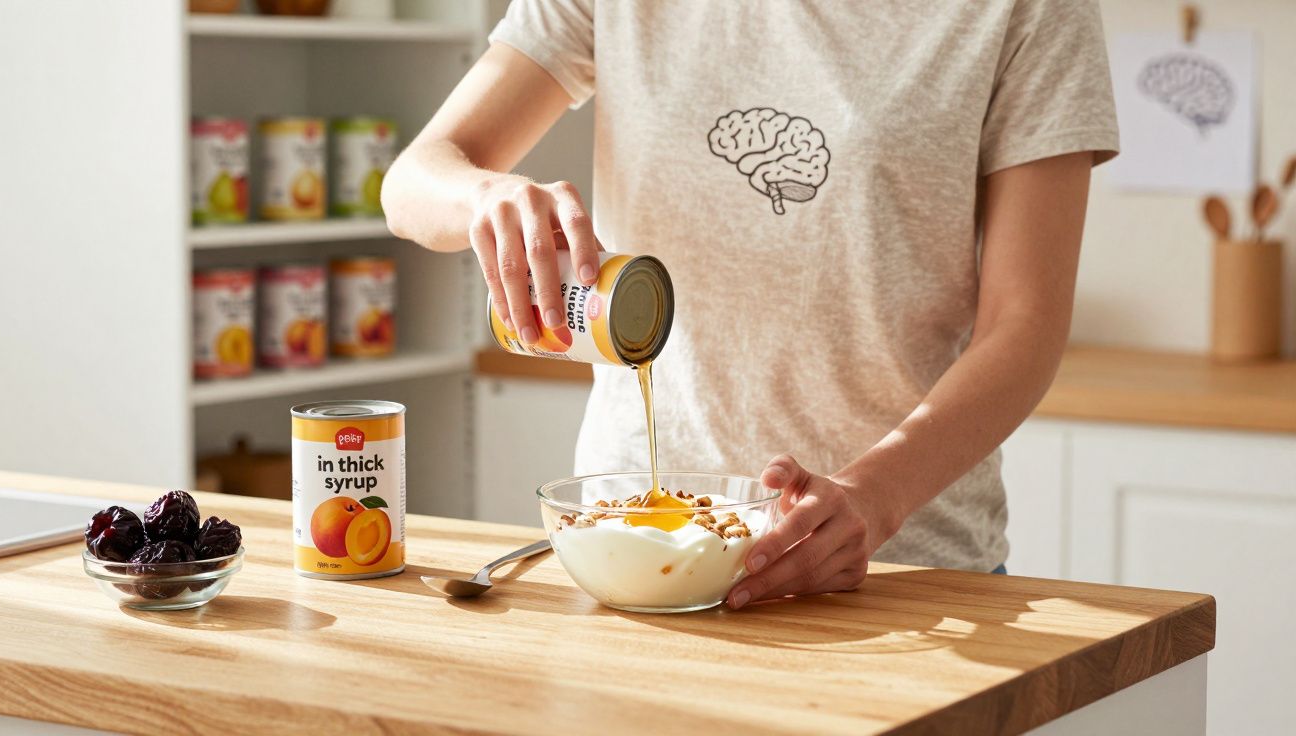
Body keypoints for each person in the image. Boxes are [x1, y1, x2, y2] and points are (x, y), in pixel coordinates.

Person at [382, 0, 1119, 609]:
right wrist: (485, 196)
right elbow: (412, 183)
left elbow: (1024, 325)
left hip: (901, 567)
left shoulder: (1033, 11)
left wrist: (875, 497)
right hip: (635, 556)